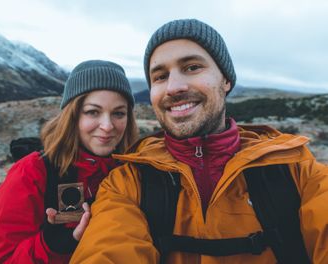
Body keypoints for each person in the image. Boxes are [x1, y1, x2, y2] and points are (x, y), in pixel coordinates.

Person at [70, 19, 328, 263]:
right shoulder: (126, 184)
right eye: (160, 76)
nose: (173, 87)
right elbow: (108, 250)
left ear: (226, 80)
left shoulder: (298, 171)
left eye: (192, 67)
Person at [0, 60, 139, 263]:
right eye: (93, 112)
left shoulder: (132, 170)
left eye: (119, 113)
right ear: (72, 116)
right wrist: (52, 244)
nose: (108, 126)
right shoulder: (32, 172)